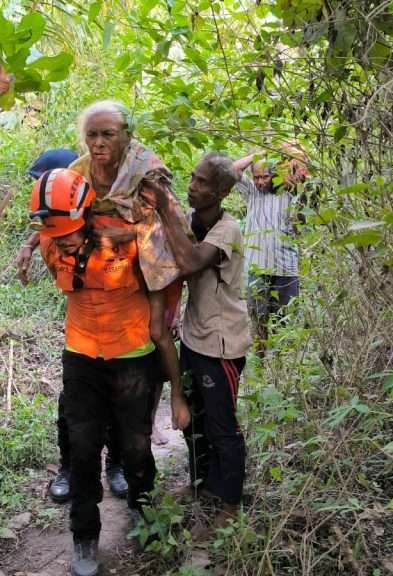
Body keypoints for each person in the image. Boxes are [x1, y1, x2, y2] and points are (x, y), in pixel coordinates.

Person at [28, 168, 188, 576]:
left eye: (68, 230)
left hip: (132, 352)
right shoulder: (51, 242)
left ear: (85, 216)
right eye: (53, 232)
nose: (61, 238)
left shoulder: (128, 236)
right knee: (82, 450)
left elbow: (167, 271)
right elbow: (59, 271)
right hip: (80, 354)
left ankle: (142, 508)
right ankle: (85, 537)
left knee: (135, 445)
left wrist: (163, 323)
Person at [15, 101, 189, 425]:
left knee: (155, 336)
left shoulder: (147, 171)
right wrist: (29, 244)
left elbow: (173, 225)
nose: (98, 143)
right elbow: (58, 215)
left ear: (126, 135)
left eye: (107, 134)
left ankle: (165, 404)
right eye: (92, 135)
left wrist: (132, 234)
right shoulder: (78, 171)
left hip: (145, 264)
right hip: (100, 267)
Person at [145, 153, 251, 525]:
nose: (193, 186)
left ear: (222, 191)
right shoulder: (193, 222)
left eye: (203, 182)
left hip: (221, 343)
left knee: (222, 425)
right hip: (194, 337)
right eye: (192, 178)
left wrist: (163, 207)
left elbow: (189, 261)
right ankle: (202, 483)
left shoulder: (228, 229)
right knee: (194, 421)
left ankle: (230, 502)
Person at [26, 149, 128, 504]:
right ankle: (68, 468)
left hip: (124, 333)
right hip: (82, 335)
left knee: (119, 403)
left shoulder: (115, 230)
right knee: (72, 406)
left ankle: (116, 465)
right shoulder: (50, 240)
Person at [233, 146, 307, 345]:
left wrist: (286, 155)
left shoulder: (289, 192)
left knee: (286, 323)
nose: (260, 182)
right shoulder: (252, 194)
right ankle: (262, 366)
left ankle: (284, 368)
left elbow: (304, 167)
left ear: (274, 174)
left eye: (265, 177)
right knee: (258, 321)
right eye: (256, 177)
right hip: (258, 268)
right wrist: (257, 155)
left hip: (286, 270)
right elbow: (232, 170)